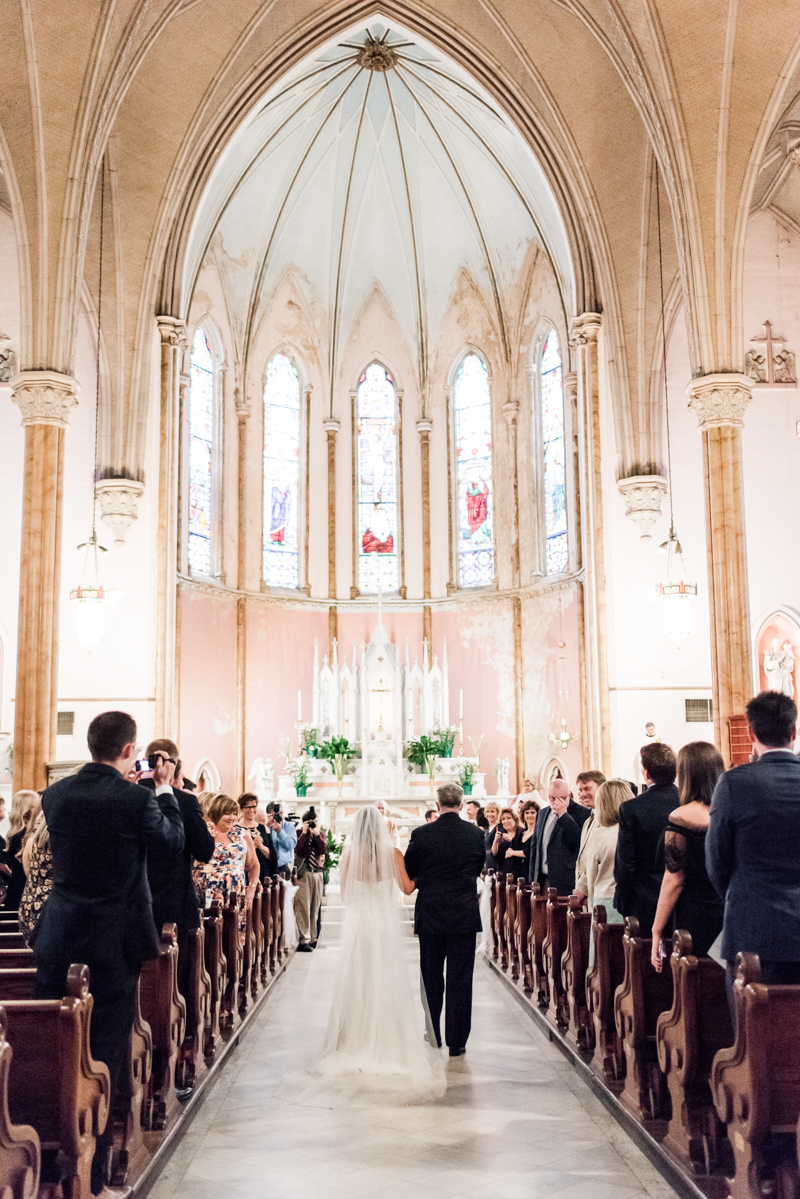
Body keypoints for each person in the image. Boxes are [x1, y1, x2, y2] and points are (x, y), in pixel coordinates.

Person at [32, 711, 184, 1199]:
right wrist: (162, 789)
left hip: (59, 938)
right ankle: (94, 1178)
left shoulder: (55, 796)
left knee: (57, 1051)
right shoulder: (136, 800)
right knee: (105, 1054)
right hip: (114, 943)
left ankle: (53, 1168)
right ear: (128, 749)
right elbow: (173, 842)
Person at [295, 806, 445, 1107]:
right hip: (384, 923)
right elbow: (406, 889)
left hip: (360, 924)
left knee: (358, 980)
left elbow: (347, 897)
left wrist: (364, 903)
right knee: (386, 980)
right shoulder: (393, 853)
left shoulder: (349, 854)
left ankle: (353, 1041)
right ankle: (389, 1041)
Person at [707, 691, 800, 999]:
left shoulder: (735, 783)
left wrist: (737, 894)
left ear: (750, 733)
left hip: (753, 929)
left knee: (753, 1038)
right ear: (794, 731)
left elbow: (716, 859)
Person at [404, 782, 486, 1056]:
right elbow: (477, 868)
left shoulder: (421, 834)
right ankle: (457, 1041)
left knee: (431, 977)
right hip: (463, 913)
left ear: (437, 805)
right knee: (460, 979)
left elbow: (411, 870)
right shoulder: (476, 835)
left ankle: (433, 1033)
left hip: (431, 913)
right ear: (461, 805)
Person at [139, 738, 215, 994]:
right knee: (176, 979)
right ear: (172, 766)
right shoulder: (183, 801)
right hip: (173, 901)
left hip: (134, 902)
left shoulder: (128, 794)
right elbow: (205, 850)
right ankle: (179, 1028)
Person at [650, 741, 725, 971]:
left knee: (693, 984)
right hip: (728, 909)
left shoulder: (680, 816)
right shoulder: (729, 811)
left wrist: (656, 930)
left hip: (696, 912)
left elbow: (674, 879)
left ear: (686, 774)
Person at [613, 742, 678, 935]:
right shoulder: (688, 802)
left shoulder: (632, 808)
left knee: (644, 960)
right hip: (682, 901)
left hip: (644, 902)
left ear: (646, 773)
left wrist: (623, 901)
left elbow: (626, 863)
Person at [581, 780, 632, 964]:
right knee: (626, 956)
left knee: (605, 958)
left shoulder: (599, 834)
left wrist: (592, 905)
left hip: (605, 901)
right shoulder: (633, 830)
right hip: (631, 901)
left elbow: (592, 874)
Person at [528, 778, 591, 894]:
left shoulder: (583, 813)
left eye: (561, 798)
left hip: (566, 880)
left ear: (569, 795)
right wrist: (532, 878)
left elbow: (579, 841)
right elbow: (535, 847)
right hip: (542, 879)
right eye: (552, 798)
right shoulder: (542, 813)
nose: (556, 802)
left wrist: (563, 815)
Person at [202, 793, 259, 909]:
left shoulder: (242, 834)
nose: (232, 817)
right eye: (227, 813)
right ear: (215, 813)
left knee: (234, 925)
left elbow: (253, 865)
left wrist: (252, 888)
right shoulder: (203, 832)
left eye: (234, 813)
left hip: (235, 894)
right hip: (206, 893)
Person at [294, 808, 326, 951]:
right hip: (304, 872)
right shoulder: (299, 833)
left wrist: (317, 835)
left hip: (317, 873)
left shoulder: (321, 834)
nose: (313, 824)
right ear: (304, 822)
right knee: (303, 907)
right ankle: (304, 939)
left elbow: (322, 851)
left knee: (314, 906)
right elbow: (298, 850)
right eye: (309, 822)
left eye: (315, 821)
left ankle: (314, 937)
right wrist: (305, 833)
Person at [19, 810, 52, 946]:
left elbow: (28, 874)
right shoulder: (61, 843)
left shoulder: (31, 842)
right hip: (53, 906)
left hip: (30, 902)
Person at [573, 770, 606, 904]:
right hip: (587, 894)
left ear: (601, 788)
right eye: (580, 790)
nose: (582, 794)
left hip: (599, 891)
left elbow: (599, 858)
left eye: (587, 788)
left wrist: (583, 887)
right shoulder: (588, 821)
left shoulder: (605, 819)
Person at [3, 790, 39, 910]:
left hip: (16, 890)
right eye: (37, 806)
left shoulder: (13, 835)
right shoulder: (24, 836)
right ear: (27, 810)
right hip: (24, 891)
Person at [237, 792, 275, 881]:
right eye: (248, 807)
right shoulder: (236, 829)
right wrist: (252, 846)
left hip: (264, 874)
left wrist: (261, 846)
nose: (251, 810)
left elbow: (273, 856)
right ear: (241, 809)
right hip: (245, 875)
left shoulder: (263, 828)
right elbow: (236, 855)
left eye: (254, 806)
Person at [491, 807, 526, 879]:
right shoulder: (501, 834)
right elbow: (494, 854)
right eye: (503, 819)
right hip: (503, 871)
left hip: (519, 872)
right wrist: (495, 841)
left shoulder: (522, 833)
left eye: (508, 818)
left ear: (515, 819)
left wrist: (511, 840)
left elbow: (525, 851)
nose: (505, 821)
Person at [266, 801, 297, 878]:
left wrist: (280, 831)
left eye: (281, 813)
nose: (280, 817)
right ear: (269, 815)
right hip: (268, 866)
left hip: (283, 867)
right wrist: (266, 826)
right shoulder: (266, 826)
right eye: (276, 815)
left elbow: (291, 845)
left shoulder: (289, 826)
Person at [519, 800, 538, 875]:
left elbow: (530, 852)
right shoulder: (520, 833)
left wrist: (513, 853)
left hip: (531, 872)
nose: (529, 815)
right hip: (519, 871)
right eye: (527, 813)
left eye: (532, 812)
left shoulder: (538, 833)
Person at [483, 801, 501, 869]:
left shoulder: (499, 828)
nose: (489, 814)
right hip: (487, 863)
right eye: (487, 811)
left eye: (492, 811)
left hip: (496, 864)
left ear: (498, 813)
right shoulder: (487, 829)